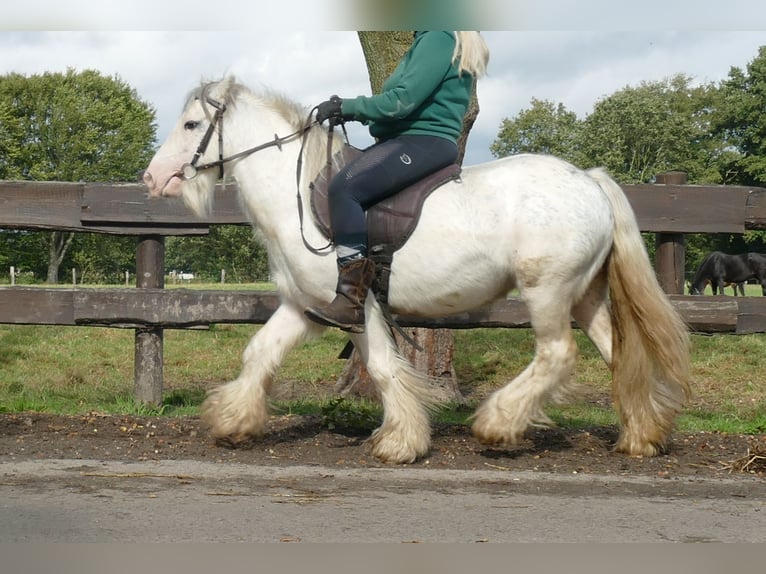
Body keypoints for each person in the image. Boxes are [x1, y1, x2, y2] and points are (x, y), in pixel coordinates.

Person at [304, 31, 490, 333]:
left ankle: (350, 300)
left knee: (345, 187)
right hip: (414, 139)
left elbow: (402, 101)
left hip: (422, 140)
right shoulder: (435, 35)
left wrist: (347, 107)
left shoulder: (438, 36)